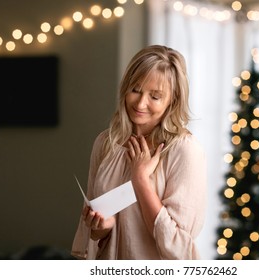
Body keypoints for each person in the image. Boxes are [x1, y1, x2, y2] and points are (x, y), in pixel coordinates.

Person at [71, 45, 207, 260]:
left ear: (173, 99)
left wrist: (140, 179)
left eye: (155, 96)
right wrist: (102, 226)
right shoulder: (106, 143)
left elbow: (179, 249)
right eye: (135, 90)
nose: (141, 103)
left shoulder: (185, 151)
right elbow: (94, 236)